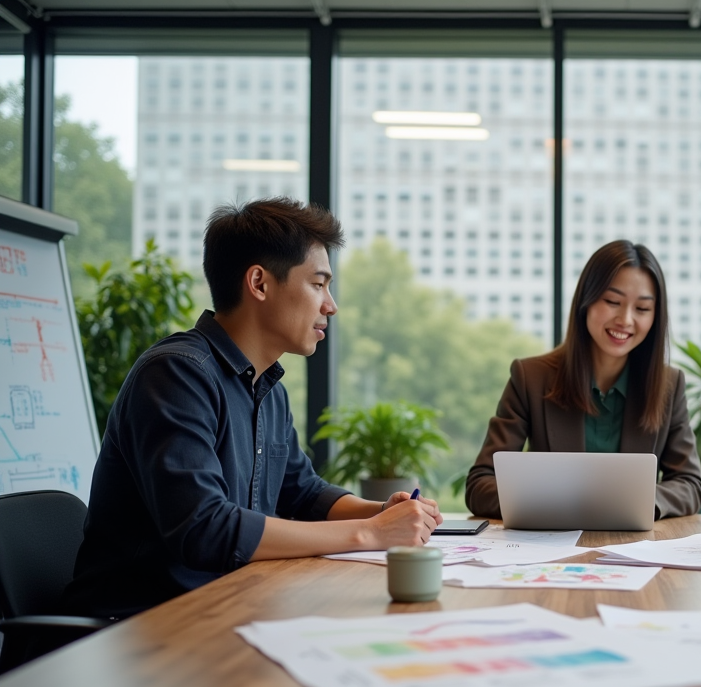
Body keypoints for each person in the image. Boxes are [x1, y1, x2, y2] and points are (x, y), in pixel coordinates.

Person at [64, 198, 442, 618]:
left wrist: (384, 513)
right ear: (259, 283)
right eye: (318, 284)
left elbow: (303, 492)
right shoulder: (176, 374)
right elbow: (205, 528)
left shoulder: (267, 387)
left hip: (227, 607)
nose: (330, 305)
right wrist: (369, 533)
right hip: (138, 624)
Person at [466, 240, 701, 520]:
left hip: (635, 541)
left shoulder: (668, 386)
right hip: (551, 541)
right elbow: (480, 484)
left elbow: (690, 484)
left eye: (642, 308)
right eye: (612, 302)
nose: (625, 319)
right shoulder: (530, 378)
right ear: (586, 301)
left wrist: (638, 501)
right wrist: (558, 502)